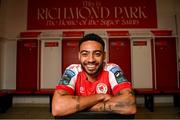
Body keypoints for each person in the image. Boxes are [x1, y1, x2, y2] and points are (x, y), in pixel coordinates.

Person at [52, 33, 136, 117]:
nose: (91, 59)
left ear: (104, 56)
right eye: (85, 54)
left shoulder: (112, 69)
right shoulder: (72, 70)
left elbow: (129, 105)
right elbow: (58, 108)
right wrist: (101, 97)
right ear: (79, 56)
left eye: (97, 54)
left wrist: (82, 106)